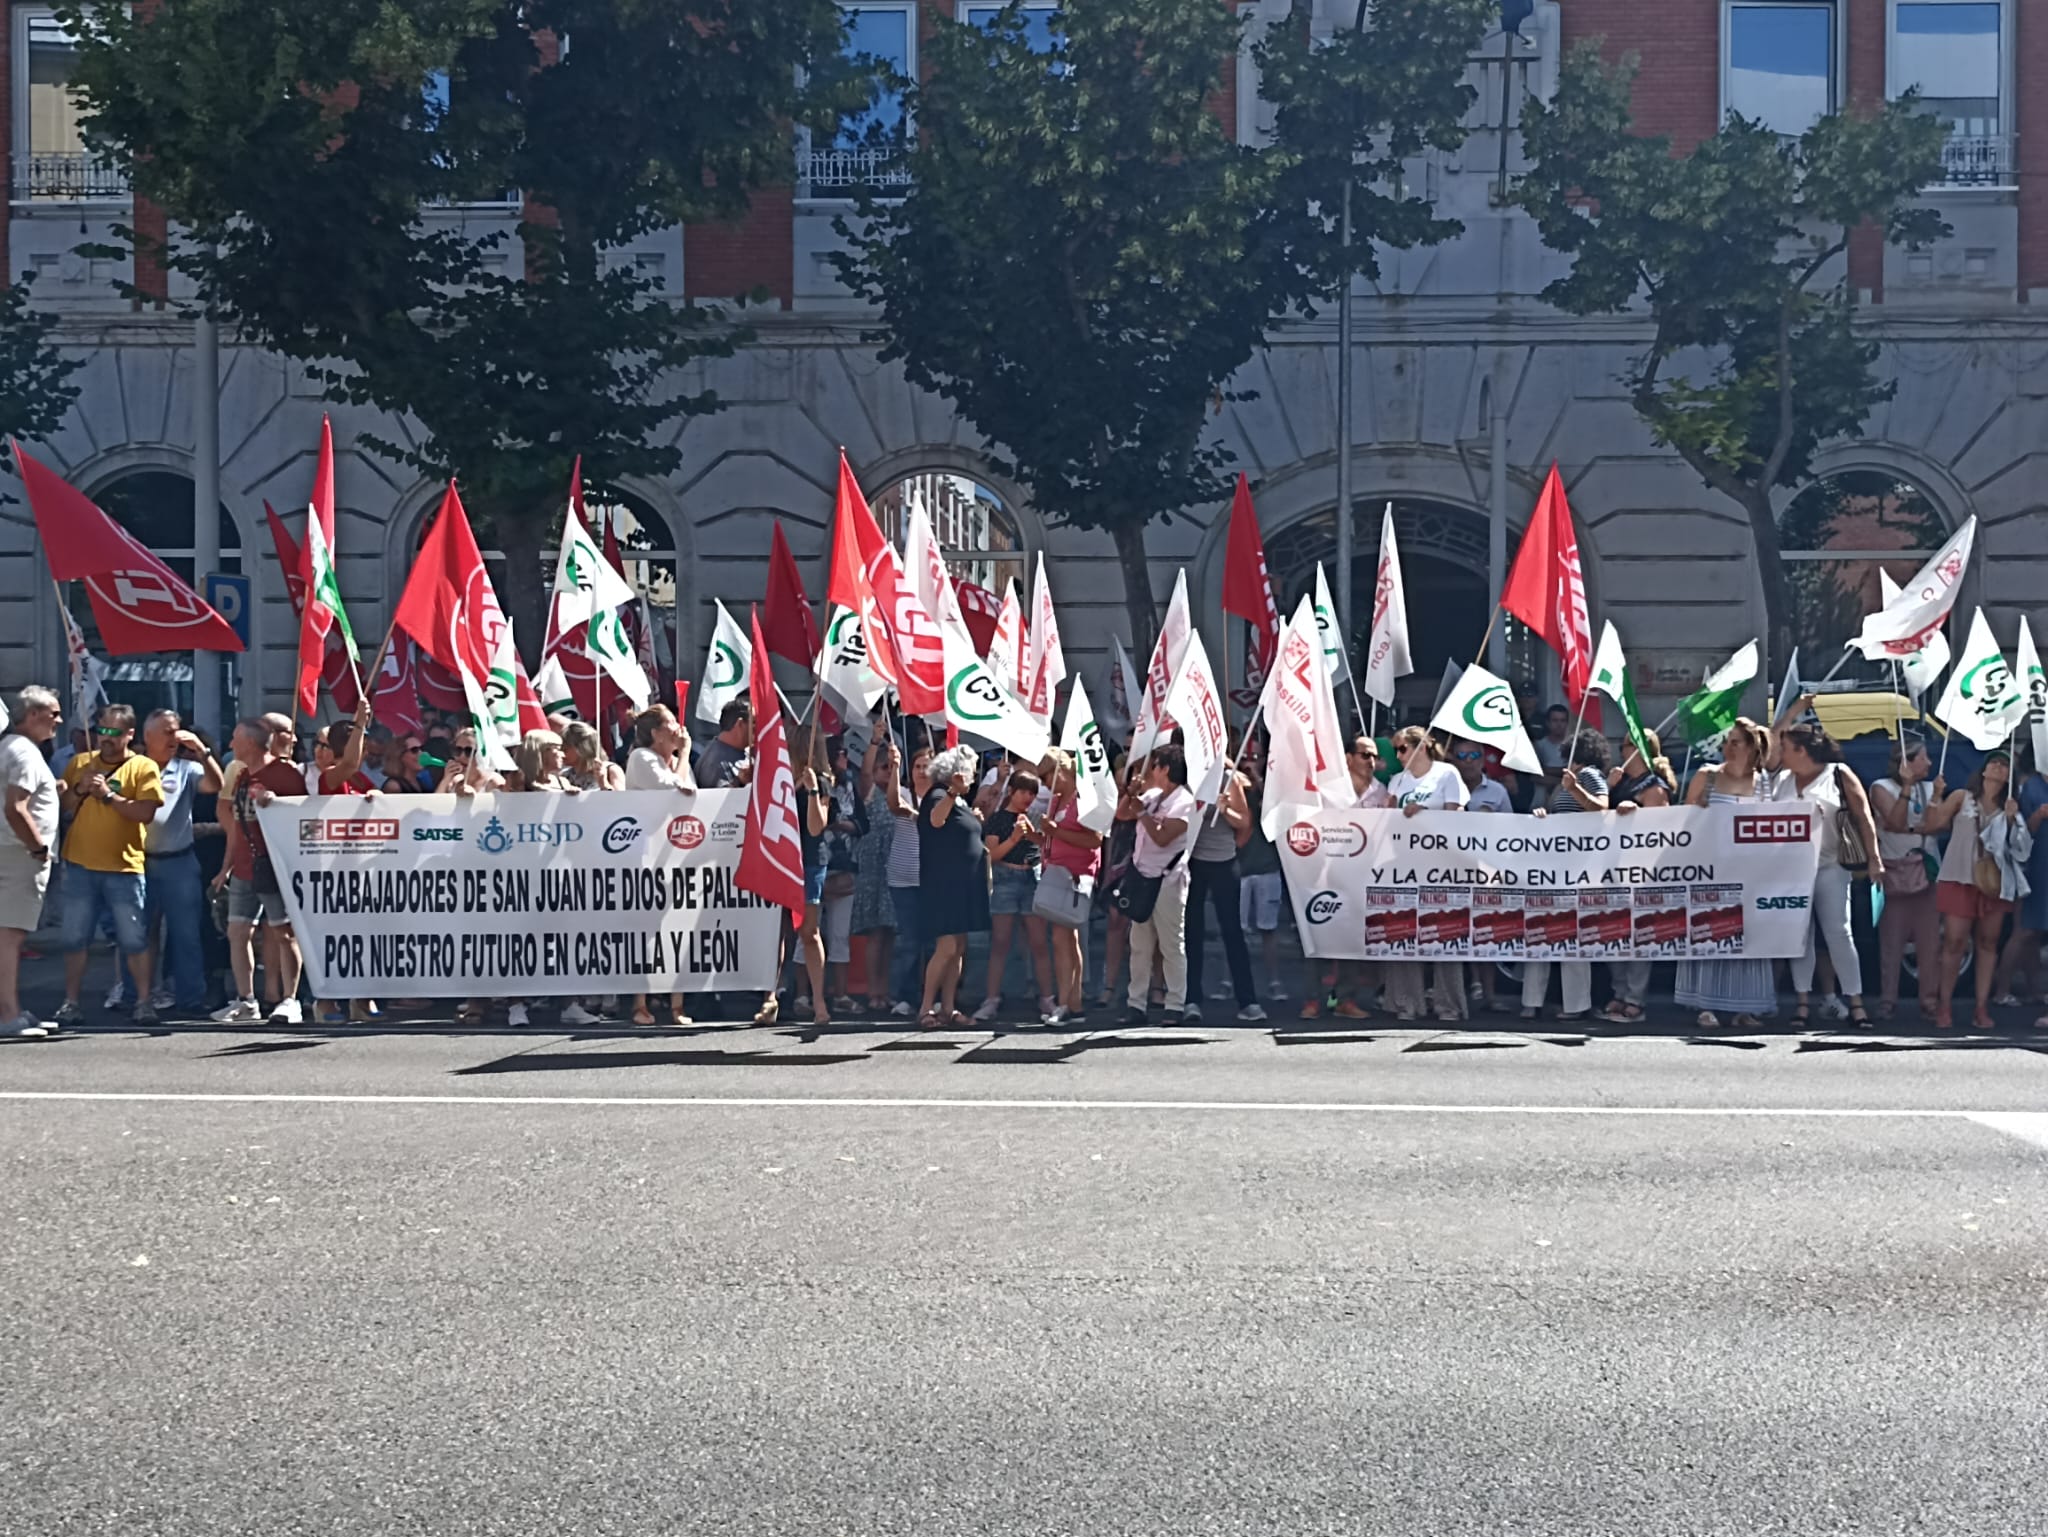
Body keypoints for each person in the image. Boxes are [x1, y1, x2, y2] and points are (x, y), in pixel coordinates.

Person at [53, 704, 165, 1027]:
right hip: (80, 864)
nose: (106, 738)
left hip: (124, 867)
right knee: (75, 938)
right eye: (102, 730)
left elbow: (145, 813)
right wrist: (78, 789)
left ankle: (143, 1002)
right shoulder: (80, 763)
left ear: (130, 734)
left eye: (115, 732)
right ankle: (70, 1002)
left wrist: (106, 796)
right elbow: (63, 809)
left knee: (134, 939)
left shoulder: (143, 767)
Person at [1772, 723, 1884, 1029]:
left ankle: (1856, 1002)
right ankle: (1802, 1003)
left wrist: (1874, 859)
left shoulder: (1838, 774)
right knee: (1800, 936)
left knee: (1838, 930)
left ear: (1802, 751)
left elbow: (1863, 816)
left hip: (1831, 864)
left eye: (1785, 748)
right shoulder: (1781, 781)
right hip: (1791, 870)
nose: (1780, 753)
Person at [211, 718, 313, 1024]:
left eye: (235, 740)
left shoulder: (284, 774)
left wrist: (276, 802)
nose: (230, 745)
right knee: (238, 932)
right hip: (244, 865)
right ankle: (247, 1001)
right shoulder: (242, 775)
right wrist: (225, 867)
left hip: (274, 865)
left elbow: (303, 815)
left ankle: (290, 1000)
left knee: (284, 932)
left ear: (251, 744)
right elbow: (236, 827)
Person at [1923, 748, 2030, 1032]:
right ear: (1982, 770)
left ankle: (1980, 1007)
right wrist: (1936, 795)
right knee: (1954, 942)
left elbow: (2021, 848)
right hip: (1959, 877)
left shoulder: (2011, 805)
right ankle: (1944, 1005)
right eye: (1993, 762)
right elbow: (1932, 825)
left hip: (1993, 883)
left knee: (1988, 943)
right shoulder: (1961, 797)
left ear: (2009, 776)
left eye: (2004, 765)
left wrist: (2011, 819)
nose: (1998, 767)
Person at [139, 708, 224, 1018]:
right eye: (165, 731)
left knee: (186, 934)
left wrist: (203, 753)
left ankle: (191, 998)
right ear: (147, 736)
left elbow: (217, 785)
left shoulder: (186, 768)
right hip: (141, 862)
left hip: (179, 861)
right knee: (140, 934)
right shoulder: (135, 766)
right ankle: (141, 998)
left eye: (175, 730)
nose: (172, 737)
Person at [1521, 728, 1609, 1022]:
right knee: (1540, 931)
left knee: (1572, 933)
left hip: (1579, 867)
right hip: (1554, 866)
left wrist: (1573, 788)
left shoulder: (1589, 775)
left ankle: (1576, 1005)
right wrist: (1543, 815)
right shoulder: (1567, 781)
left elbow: (1601, 808)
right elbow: (1555, 811)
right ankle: (1531, 1002)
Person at [1304, 734, 1392, 1020]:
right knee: (1317, 935)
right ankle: (1313, 999)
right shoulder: (1326, 792)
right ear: (1348, 758)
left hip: (1363, 876)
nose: (1371, 761)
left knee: (1353, 940)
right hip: (1324, 875)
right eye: (1364, 755)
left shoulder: (1382, 792)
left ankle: (1345, 999)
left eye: (1374, 756)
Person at [1185, 735, 1264, 1024]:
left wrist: (1223, 809)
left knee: (1232, 931)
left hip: (1222, 862)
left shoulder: (1226, 777)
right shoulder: (1185, 777)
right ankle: (1191, 999)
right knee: (1191, 933)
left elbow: (1244, 822)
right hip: (1192, 863)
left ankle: (1248, 1001)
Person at [1117, 743, 1196, 1027]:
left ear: (1165, 769)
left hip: (1168, 881)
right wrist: (1131, 794)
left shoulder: (1185, 802)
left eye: (1155, 765)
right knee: (1139, 944)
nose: (1151, 771)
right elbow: (1122, 814)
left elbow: (1164, 837)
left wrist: (1142, 813)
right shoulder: (1152, 795)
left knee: (1171, 945)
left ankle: (1175, 1004)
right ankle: (1135, 1003)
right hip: (1142, 878)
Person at [1600, 731, 1677, 1024]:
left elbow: (1660, 830)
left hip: (1640, 870)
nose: (1622, 750)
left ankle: (1635, 997)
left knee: (1637, 934)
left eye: (1628, 745)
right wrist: (1609, 788)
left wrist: (1638, 812)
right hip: (1613, 866)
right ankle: (1618, 992)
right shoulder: (1621, 783)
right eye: (1621, 745)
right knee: (1613, 931)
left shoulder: (1654, 787)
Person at [1869, 735, 1945, 1023]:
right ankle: (1888, 1000)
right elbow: (1896, 821)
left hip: (1926, 873)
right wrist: (1907, 790)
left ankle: (1929, 1001)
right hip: (1894, 873)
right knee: (1891, 942)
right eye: (1922, 757)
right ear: (1907, 762)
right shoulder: (1881, 787)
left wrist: (1935, 797)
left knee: (1930, 943)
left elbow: (1938, 824)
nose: (1928, 762)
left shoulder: (1931, 788)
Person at [0, 688, 62, 1036]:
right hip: (18, 855)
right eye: (53, 713)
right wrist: (38, 847)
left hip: (8, 850)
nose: (59, 721)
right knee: (10, 938)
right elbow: (16, 806)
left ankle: (11, 1009)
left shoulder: (9, 747)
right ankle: (8, 1015)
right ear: (34, 714)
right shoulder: (23, 752)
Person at [917, 744, 990, 1028]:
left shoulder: (958, 800)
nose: (973, 776)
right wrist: (952, 792)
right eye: (970, 771)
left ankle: (948, 1007)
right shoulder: (939, 794)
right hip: (944, 884)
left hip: (963, 883)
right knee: (946, 946)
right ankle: (926, 1008)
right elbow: (936, 820)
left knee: (958, 946)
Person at [978, 766, 1056, 1024]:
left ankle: (1047, 998)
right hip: (1005, 880)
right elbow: (991, 856)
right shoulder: (998, 819)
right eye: (1022, 791)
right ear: (1011, 791)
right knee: (1000, 942)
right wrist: (1013, 838)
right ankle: (991, 999)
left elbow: (1047, 846)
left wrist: (1034, 834)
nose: (1027, 798)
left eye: (1032, 793)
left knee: (1038, 942)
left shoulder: (1035, 816)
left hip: (1031, 879)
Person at [1036, 747, 1102, 1027]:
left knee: (1064, 938)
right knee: (1065, 938)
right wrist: (1038, 837)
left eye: (1046, 775)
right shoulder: (1058, 799)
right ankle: (1072, 1003)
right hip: (1056, 872)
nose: (1043, 782)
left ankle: (1065, 1003)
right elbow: (1055, 837)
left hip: (1075, 875)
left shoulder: (1083, 797)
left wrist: (1055, 832)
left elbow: (1095, 839)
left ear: (1060, 771)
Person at [1447, 735, 1513, 1013]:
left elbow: (1513, 829)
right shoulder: (1448, 789)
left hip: (1486, 872)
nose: (1468, 763)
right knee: (1453, 931)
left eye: (1474, 756)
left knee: (1486, 933)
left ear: (1483, 759)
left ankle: (1488, 992)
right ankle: (1456, 993)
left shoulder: (1497, 792)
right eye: (1462, 757)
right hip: (1452, 871)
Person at [1236, 734, 1288, 1004]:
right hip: (1239, 869)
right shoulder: (1233, 784)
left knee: (1268, 930)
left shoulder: (1271, 787)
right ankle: (1228, 980)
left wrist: (1258, 780)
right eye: (1246, 757)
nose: (1249, 762)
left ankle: (1274, 981)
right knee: (1235, 930)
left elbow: (1275, 817)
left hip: (1267, 867)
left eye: (1255, 757)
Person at [1995, 747, 2048, 1007]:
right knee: (2023, 930)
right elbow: (2019, 832)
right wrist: (2038, 815)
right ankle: (2001, 989)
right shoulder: (2030, 787)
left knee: (2036, 934)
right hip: (2032, 867)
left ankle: (2035, 989)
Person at [850, 729, 898, 1016]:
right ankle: (873, 991)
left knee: (891, 933)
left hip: (894, 867)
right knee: (875, 935)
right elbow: (866, 774)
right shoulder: (869, 792)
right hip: (872, 870)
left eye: (891, 768)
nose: (887, 773)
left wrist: (897, 764)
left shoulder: (898, 793)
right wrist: (874, 744)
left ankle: (886, 988)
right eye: (885, 768)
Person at [788, 719, 833, 1027]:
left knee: (809, 931)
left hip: (810, 862)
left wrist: (813, 789)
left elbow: (817, 826)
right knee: (776, 933)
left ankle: (819, 1000)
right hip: (781, 859)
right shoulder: (778, 779)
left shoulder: (825, 781)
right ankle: (771, 997)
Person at [886, 739, 934, 1018]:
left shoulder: (943, 797)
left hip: (932, 880)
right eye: (917, 766)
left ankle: (932, 995)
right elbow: (894, 803)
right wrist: (895, 767)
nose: (921, 771)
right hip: (902, 880)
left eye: (927, 766)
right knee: (909, 942)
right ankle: (906, 996)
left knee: (932, 942)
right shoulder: (903, 792)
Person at [820, 734, 865, 1015]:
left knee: (839, 935)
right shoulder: (816, 784)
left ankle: (840, 994)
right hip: (817, 865)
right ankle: (805, 995)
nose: (844, 759)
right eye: (839, 754)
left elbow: (862, 823)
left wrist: (845, 826)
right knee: (808, 936)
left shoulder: (849, 786)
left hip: (846, 865)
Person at [625, 704, 697, 792]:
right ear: (656, 734)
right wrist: (684, 751)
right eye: (672, 722)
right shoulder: (639, 756)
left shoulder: (680, 762)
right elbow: (673, 792)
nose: (680, 727)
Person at [694, 700, 753, 788]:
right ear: (740, 724)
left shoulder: (743, 750)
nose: (759, 729)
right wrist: (740, 781)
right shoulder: (714, 763)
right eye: (754, 723)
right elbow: (717, 798)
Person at [561, 721, 625, 793]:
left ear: (582, 747)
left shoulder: (610, 771)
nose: (561, 753)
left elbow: (621, 800)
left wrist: (604, 783)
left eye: (565, 749)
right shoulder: (564, 776)